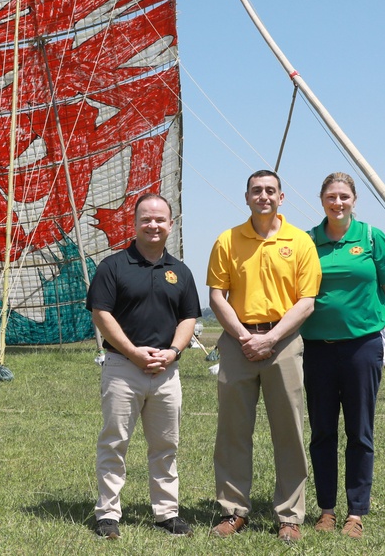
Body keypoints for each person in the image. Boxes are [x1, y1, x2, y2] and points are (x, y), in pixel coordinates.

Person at [206, 170, 322, 543]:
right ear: (246, 197)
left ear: (281, 197)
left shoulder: (300, 241)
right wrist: (244, 336)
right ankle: (233, 510)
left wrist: (271, 337)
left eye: (270, 190)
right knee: (233, 431)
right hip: (237, 342)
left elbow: (306, 301)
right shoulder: (228, 240)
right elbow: (216, 297)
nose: (263, 196)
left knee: (288, 430)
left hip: (283, 343)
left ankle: (289, 515)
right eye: (257, 191)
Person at [89, 193, 201, 540]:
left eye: (159, 219)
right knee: (114, 442)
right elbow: (101, 314)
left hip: (166, 372)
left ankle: (166, 513)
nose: (153, 225)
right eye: (146, 219)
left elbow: (188, 318)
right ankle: (108, 514)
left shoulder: (180, 271)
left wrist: (174, 352)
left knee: (166, 446)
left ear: (171, 224)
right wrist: (134, 352)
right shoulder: (113, 266)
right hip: (123, 367)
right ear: (134, 223)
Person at [301, 172, 385, 540]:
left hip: (362, 348)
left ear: (354, 199)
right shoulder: (307, 241)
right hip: (317, 349)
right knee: (322, 431)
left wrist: (368, 319)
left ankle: (356, 512)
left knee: (360, 431)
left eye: (344, 196)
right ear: (322, 199)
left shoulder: (374, 238)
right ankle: (326, 510)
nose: (338, 202)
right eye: (331, 196)